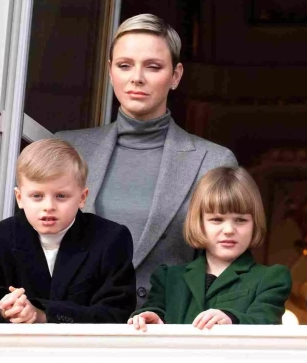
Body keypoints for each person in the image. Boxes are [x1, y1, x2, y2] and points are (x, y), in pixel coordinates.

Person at [57, 14, 237, 309]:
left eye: (153, 67)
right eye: (124, 65)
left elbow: (226, 266)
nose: (136, 77)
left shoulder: (214, 162)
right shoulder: (66, 148)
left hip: (164, 333)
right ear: (110, 71)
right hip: (72, 330)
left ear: (176, 76)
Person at [0, 139, 137, 323]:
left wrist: (43, 315)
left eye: (61, 196)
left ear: (82, 197)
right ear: (20, 198)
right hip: (16, 351)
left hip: (86, 351)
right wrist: (4, 313)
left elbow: (117, 313)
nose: (49, 206)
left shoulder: (111, 239)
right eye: (37, 196)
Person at [128, 167, 292, 331]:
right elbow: (156, 311)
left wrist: (232, 320)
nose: (229, 230)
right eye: (216, 219)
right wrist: (150, 319)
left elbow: (265, 322)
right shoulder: (168, 277)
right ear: (199, 223)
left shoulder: (272, 278)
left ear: (255, 223)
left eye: (240, 220)